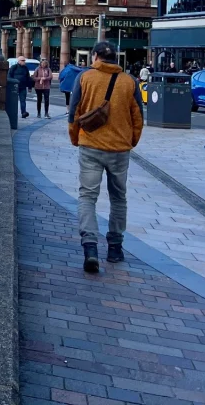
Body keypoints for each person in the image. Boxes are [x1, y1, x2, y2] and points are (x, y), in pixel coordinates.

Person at [68, 40, 144, 274]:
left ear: (96, 57)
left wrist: (76, 137)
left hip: (90, 146)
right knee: (118, 197)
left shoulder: (85, 78)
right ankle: (115, 247)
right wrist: (131, 141)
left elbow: (74, 113)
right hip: (119, 150)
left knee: (87, 196)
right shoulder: (129, 81)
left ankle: (90, 247)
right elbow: (139, 116)